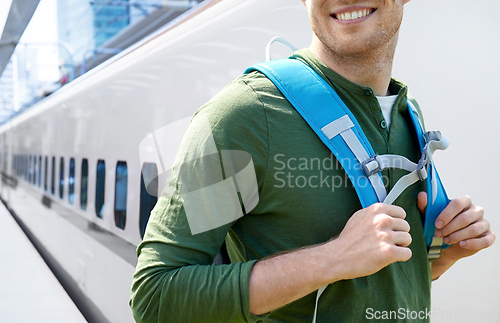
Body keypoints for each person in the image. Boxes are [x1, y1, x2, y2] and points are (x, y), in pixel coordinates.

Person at [130, 0, 495, 322]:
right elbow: (156, 296)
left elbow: (368, 284)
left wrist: (442, 256)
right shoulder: (248, 117)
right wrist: (332, 258)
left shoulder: (406, 113)